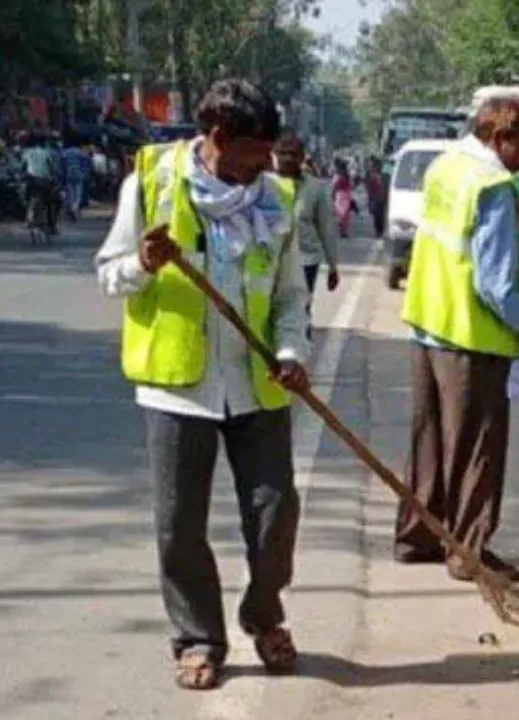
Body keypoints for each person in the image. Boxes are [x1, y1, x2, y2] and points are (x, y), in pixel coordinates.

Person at [93, 79, 311, 691]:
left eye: (269, 154)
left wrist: (292, 351)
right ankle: (197, 638)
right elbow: (109, 275)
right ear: (218, 138)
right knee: (179, 522)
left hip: (257, 383)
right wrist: (143, 263)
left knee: (276, 511)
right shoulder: (152, 183)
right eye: (253, 154)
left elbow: (292, 296)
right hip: (177, 386)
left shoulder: (277, 201)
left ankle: (264, 615)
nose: (263, 166)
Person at [396, 95, 519, 580]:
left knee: (430, 437)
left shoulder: (446, 167)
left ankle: (419, 533)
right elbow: (496, 286)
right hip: (471, 334)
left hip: (427, 321)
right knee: (477, 446)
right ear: (499, 139)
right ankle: (468, 549)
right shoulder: (495, 186)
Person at [272, 130, 340, 333]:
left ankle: (299, 354)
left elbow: (327, 227)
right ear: (273, 155)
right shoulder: (262, 185)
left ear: (302, 158)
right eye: (282, 153)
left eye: (294, 154)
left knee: (300, 311)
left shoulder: (316, 188)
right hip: (271, 259)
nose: (288, 159)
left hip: (305, 261)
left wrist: (333, 265)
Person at [20, 132, 59, 234]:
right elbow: (52, 168)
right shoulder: (47, 153)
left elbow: (22, 166)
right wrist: (54, 177)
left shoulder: (27, 153)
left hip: (31, 181)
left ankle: (28, 219)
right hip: (44, 181)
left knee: (27, 199)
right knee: (51, 202)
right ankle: (52, 225)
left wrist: (22, 175)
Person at [364, 156, 387, 238]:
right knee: (377, 216)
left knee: (380, 215)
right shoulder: (372, 174)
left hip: (381, 198)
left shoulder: (382, 174)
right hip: (376, 198)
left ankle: (380, 231)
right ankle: (378, 231)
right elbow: (368, 187)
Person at [331, 158, 354, 238]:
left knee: (343, 214)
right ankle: (342, 231)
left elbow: (334, 187)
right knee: (342, 214)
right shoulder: (343, 176)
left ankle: (342, 231)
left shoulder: (340, 176)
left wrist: (332, 195)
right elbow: (334, 187)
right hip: (343, 196)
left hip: (342, 196)